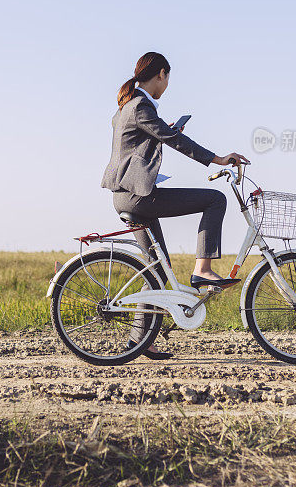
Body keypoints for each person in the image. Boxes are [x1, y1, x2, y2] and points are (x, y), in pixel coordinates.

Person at [101, 51, 250, 359]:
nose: (166, 86)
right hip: (138, 196)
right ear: (162, 74)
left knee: (155, 269)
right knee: (215, 199)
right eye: (167, 79)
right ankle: (203, 270)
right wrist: (218, 159)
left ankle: (140, 341)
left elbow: (149, 141)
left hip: (126, 195)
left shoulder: (128, 107)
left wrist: (165, 132)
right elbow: (174, 142)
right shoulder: (141, 105)